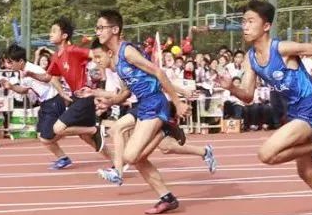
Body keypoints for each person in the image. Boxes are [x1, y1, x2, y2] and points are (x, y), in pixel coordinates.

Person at [218, 0, 312, 215]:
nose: (245, 26)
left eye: (250, 21)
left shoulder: (281, 48)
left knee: (266, 154)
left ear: (266, 26)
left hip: (309, 108)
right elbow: (248, 96)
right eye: (243, 22)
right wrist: (232, 88)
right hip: (294, 112)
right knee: (307, 173)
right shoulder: (251, 58)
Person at [78, 10, 190, 214]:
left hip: (155, 102)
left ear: (115, 29)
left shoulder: (127, 51)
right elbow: (124, 93)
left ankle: (166, 129)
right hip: (143, 104)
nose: (98, 31)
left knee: (130, 155)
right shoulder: (117, 62)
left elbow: (158, 72)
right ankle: (167, 197)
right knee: (136, 156)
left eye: (101, 27)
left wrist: (177, 102)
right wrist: (104, 100)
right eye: (97, 28)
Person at [87, 40, 217, 184]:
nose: (96, 61)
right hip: (139, 105)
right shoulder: (115, 69)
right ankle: (204, 151)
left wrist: (182, 92)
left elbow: (157, 78)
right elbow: (122, 93)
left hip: (149, 104)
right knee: (166, 147)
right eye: (94, 58)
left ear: (109, 52)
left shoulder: (127, 59)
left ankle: (117, 170)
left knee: (117, 130)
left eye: (98, 57)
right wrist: (97, 95)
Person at [24, 16, 108, 160]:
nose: (50, 34)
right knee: (86, 137)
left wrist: (103, 75)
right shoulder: (56, 56)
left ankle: (95, 129)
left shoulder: (73, 50)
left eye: (54, 31)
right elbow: (48, 77)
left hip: (85, 95)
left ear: (64, 36)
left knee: (58, 128)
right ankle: (117, 161)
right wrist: (31, 74)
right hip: (76, 97)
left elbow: (96, 55)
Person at [0, 44, 71, 169]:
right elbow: (24, 90)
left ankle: (80, 129)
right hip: (45, 104)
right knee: (41, 135)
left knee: (46, 137)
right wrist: (11, 87)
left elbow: (50, 78)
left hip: (53, 101)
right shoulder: (22, 71)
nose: (9, 66)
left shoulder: (33, 69)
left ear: (20, 61)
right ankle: (63, 157)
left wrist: (31, 74)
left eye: (11, 62)